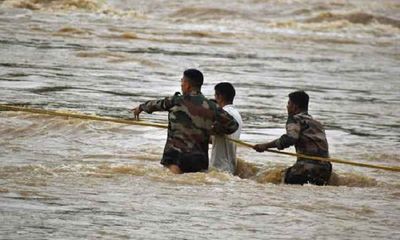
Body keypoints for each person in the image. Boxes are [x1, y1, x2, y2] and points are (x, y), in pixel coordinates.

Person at [132, 69, 239, 174]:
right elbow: (233, 125)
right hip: (198, 160)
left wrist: (140, 108)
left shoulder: (175, 101)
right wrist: (212, 130)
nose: (181, 84)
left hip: (176, 157)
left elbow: (155, 105)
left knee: (172, 186)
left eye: (182, 81)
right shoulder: (212, 106)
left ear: (187, 85)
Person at [253, 91, 332, 185]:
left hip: (306, 169)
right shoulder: (317, 123)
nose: (287, 107)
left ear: (295, 106)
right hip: (326, 170)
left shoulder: (294, 119)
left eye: (288, 103)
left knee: (275, 181)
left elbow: (290, 139)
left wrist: (265, 146)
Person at [210, 82, 243, 174]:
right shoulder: (237, 115)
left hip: (219, 168)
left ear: (220, 97)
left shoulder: (223, 115)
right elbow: (217, 136)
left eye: (215, 96)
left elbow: (211, 132)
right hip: (231, 167)